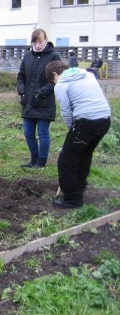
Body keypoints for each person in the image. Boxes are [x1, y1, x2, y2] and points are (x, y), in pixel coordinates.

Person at [46, 60, 111, 208]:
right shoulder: (87, 74)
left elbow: (66, 111)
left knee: (66, 160)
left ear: (55, 74)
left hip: (87, 122)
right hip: (105, 120)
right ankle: (78, 190)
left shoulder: (61, 85)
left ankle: (72, 200)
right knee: (84, 154)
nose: (54, 83)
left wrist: (72, 129)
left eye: (53, 80)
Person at [16, 28, 61, 169]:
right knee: (28, 133)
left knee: (42, 133)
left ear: (46, 40)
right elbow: (21, 76)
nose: (37, 45)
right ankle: (33, 160)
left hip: (44, 102)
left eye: (40, 42)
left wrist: (40, 93)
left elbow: (56, 80)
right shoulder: (27, 56)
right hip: (28, 102)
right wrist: (22, 92)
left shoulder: (54, 57)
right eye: (34, 42)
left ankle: (41, 163)